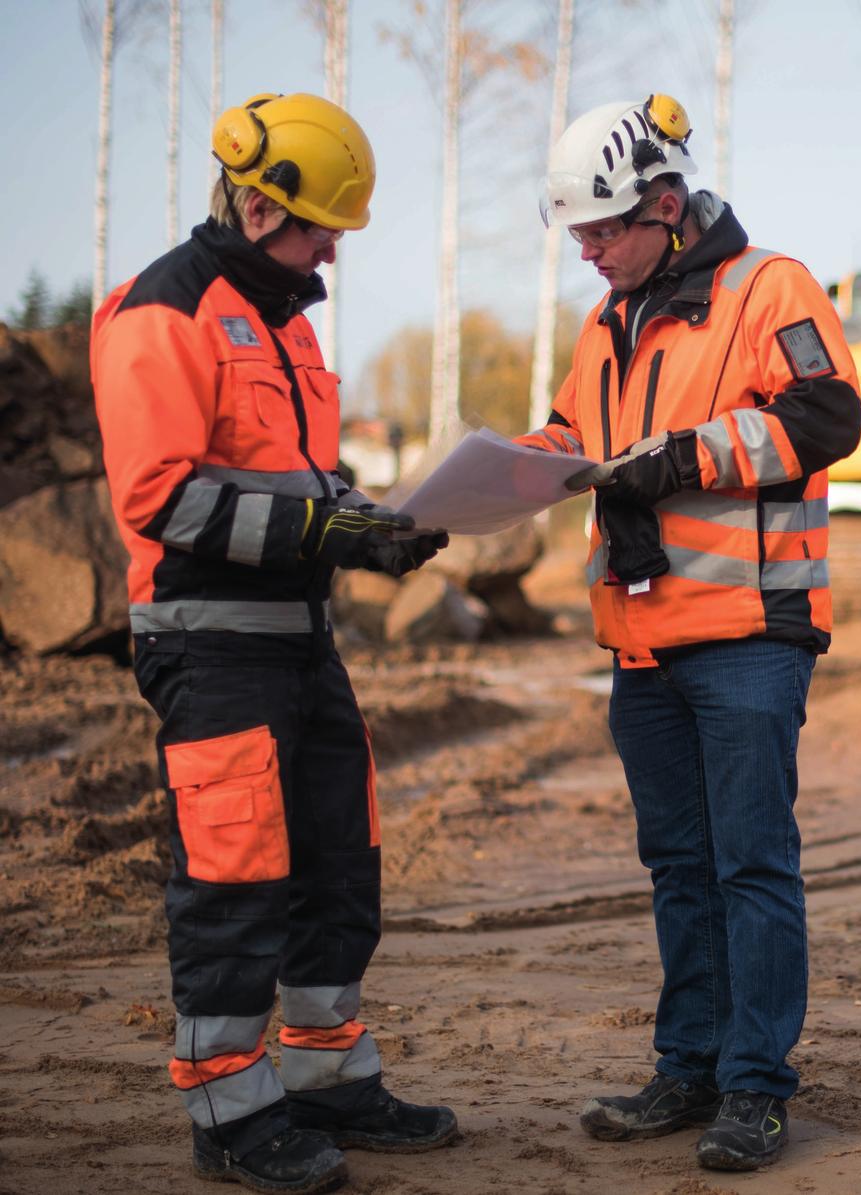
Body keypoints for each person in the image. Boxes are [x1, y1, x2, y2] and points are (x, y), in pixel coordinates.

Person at [91, 93, 454, 1194]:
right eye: (319, 226)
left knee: (340, 863)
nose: (333, 246)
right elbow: (161, 501)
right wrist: (320, 525)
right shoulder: (163, 309)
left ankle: (328, 1075)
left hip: (299, 638)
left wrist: (372, 522)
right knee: (235, 878)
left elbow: (294, 480)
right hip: (209, 646)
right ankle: (230, 1110)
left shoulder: (287, 321)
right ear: (256, 205)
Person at [521, 94, 861, 1171]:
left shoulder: (769, 287)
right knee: (677, 863)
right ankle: (689, 1063)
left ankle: (755, 1088)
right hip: (640, 638)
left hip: (748, 635)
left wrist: (683, 455)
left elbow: (826, 417)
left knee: (749, 863)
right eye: (577, 234)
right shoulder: (604, 320)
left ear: (665, 206)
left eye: (603, 229)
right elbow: (572, 434)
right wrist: (486, 476)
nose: (588, 251)